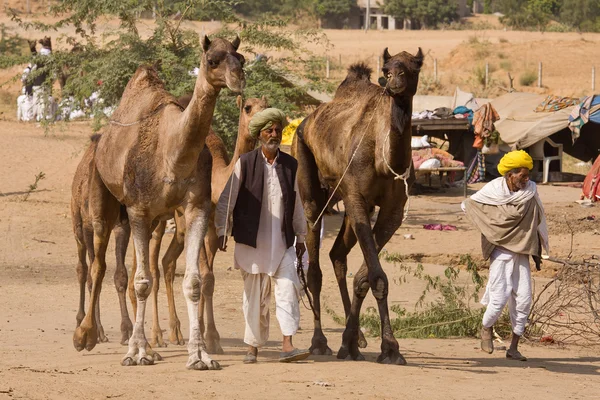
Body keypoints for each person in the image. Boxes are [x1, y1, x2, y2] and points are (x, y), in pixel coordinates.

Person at [215, 108, 310, 364]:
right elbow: (228, 199)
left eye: (277, 130)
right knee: (253, 297)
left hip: (283, 241)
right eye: (269, 130)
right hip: (252, 242)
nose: (274, 134)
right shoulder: (245, 163)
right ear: (259, 135)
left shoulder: (290, 165)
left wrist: (301, 236)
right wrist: (222, 230)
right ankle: (252, 348)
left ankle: (288, 345)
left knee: (288, 290)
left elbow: (297, 203)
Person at [462, 150, 549, 361]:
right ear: (510, 174)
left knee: (524, 300)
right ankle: (485, 329)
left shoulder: (530, 190)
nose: (527, 179)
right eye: (522, 175)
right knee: (499, 297)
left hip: (522, 251)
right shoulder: (493, 189)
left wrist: (540, 246)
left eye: (528, 175)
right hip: (500, 250)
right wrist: (494, 225)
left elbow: (539, 217)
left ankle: (513, 348)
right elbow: (468, 205)